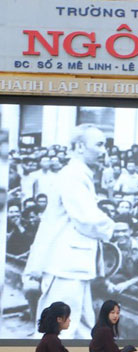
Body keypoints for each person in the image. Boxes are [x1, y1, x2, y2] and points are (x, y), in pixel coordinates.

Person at [23, 125, 115, 339]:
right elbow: (87, 218)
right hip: (66, 263)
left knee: (81, 325)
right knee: (60, 328)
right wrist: (112, 227)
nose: (104, 151)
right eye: (99, 144)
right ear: (80, 146)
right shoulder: (73, 175)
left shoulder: (77, 173)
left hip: (73, 264)